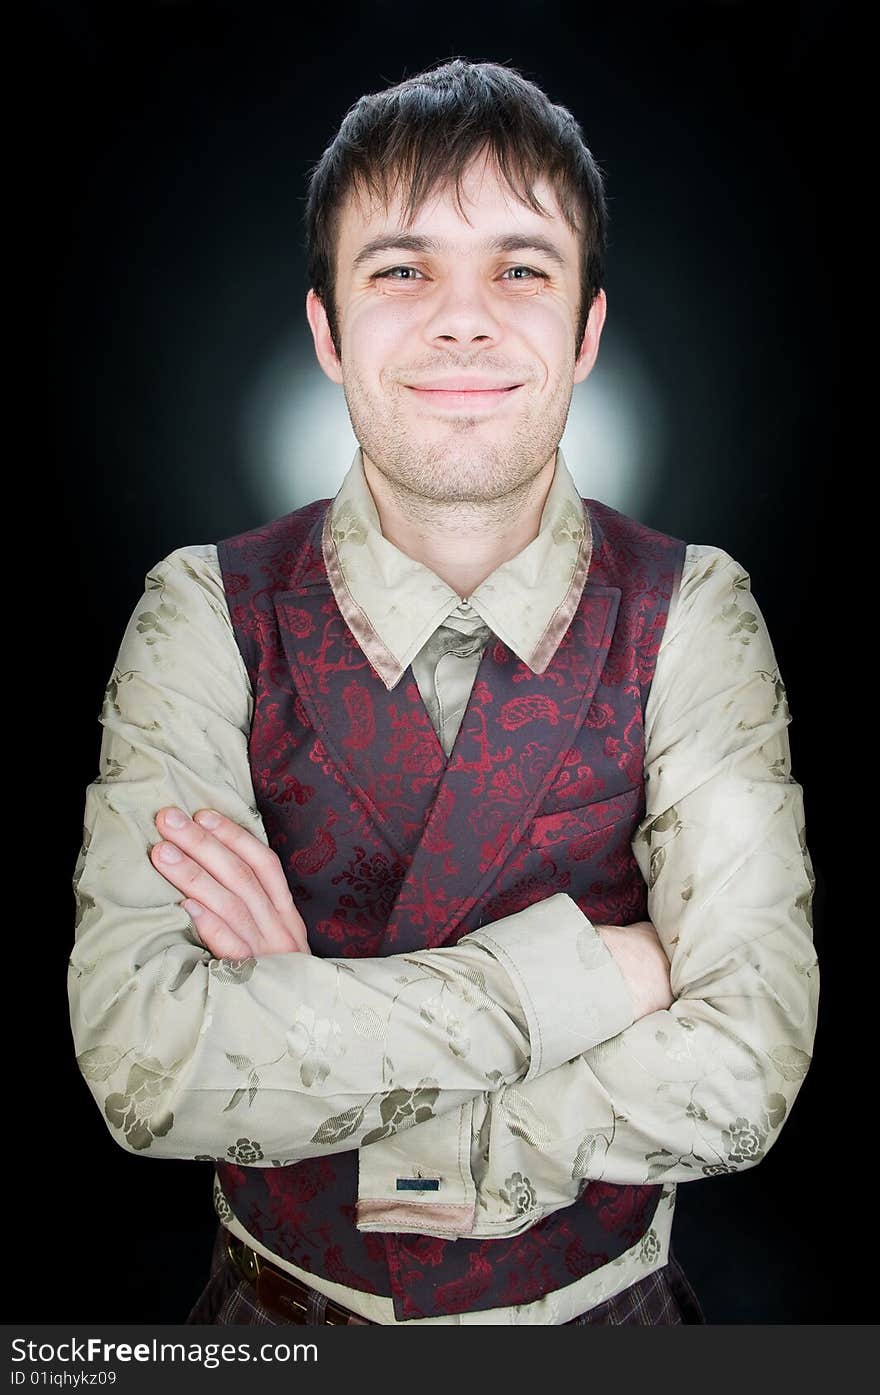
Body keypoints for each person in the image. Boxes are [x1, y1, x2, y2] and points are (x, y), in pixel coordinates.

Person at [68, 57, 819, 1327]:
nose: (461, 319)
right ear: (327, 330)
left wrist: (302, 1033)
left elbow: (744, 1073)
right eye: (402, 269)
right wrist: (591, 984)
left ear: (584, 330)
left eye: (519, 269)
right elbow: (148, 1062)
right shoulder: (202, 610)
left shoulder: (695, 613)